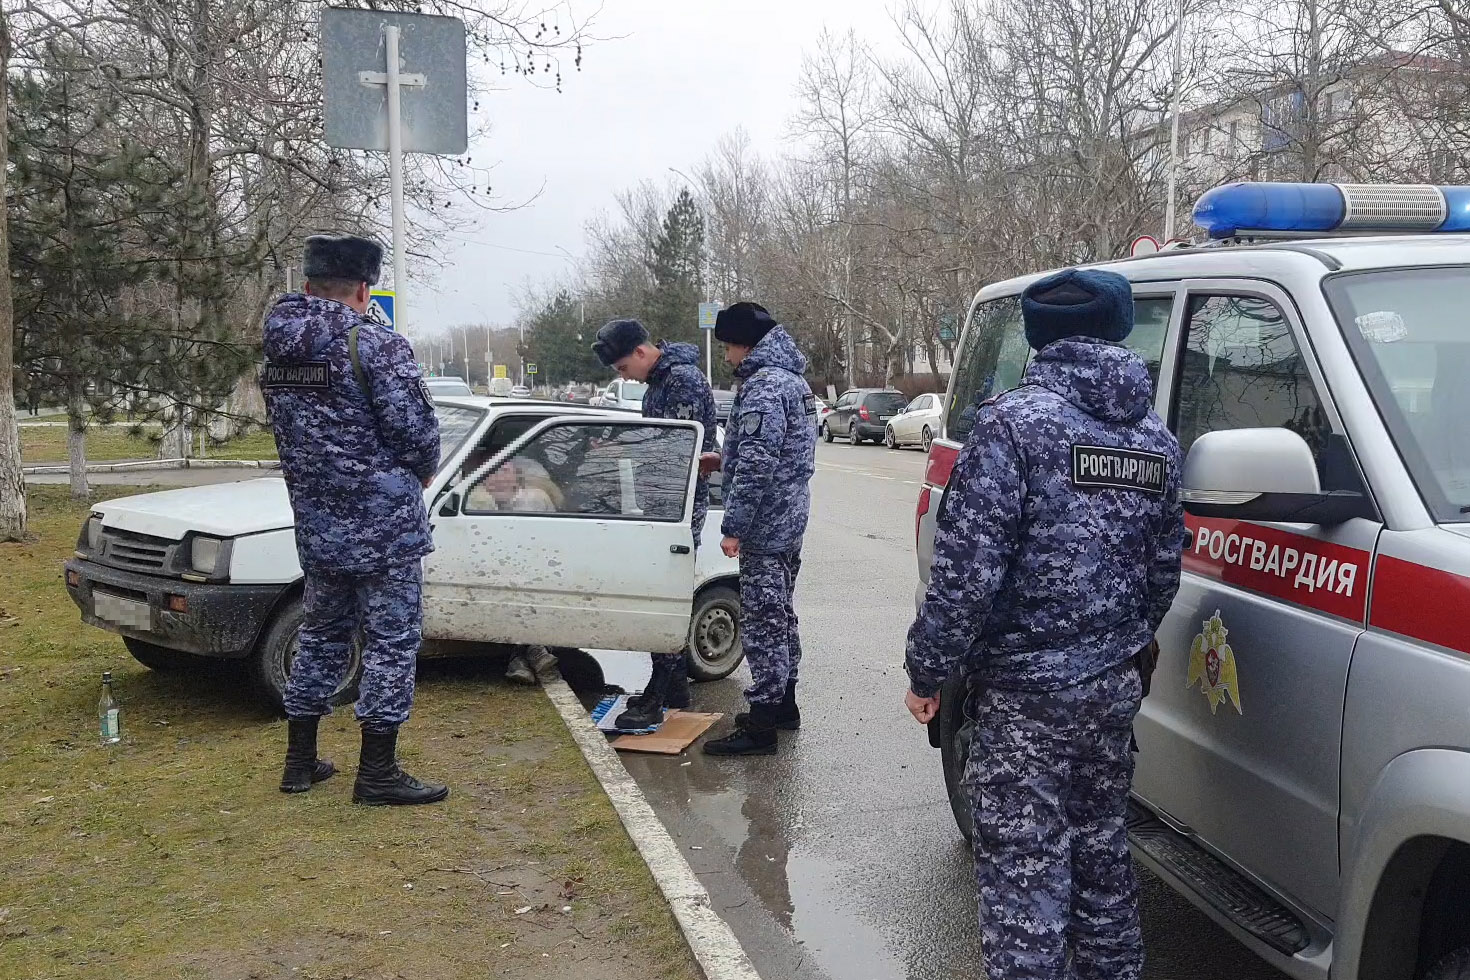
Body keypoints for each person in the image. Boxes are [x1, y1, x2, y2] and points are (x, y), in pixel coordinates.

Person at [903, 268, 1185, 980]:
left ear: (1037, 335)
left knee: (1024, 877)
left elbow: (964, 574)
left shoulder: (1013, 425)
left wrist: (927, 672)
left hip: (1027, 695)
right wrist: (1119, 648)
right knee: (1102, 862)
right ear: (1119, 330)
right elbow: (1163, 574)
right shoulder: (1155, 438)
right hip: (1112, 687)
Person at [262, 234, 448, 807]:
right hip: (383, 527)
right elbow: (416, 433)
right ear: (365, 290)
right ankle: (378, 772)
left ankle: (299, 762)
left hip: (317, 523)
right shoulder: (376, 346)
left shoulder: (278, 349)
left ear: (308, 285)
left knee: (321, 635)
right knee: (392, 641)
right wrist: (417, 471)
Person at [701, 302, 817, 756]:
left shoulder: (765, 385)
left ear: (743, 343)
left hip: (766, 526)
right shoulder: (792, 382)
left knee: (764, 622)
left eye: (728, 347)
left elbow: (758, 463)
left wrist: (734, 526)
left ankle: (762, 723)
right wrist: (722, 459)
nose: (728, 357)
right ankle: (783, 703)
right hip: (788, 521)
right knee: (781, 614)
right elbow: (777, 452)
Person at [591, 318, 718, 730]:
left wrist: (624, 450)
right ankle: (674, 683)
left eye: (624, 368)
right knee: (661, 586)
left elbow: (674, 449)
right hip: (661, 501)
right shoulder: (660, 383)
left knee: (667, 590)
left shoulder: (681, 381)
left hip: (677, 505)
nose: (624, 376)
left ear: (643, 353)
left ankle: (661, 689)